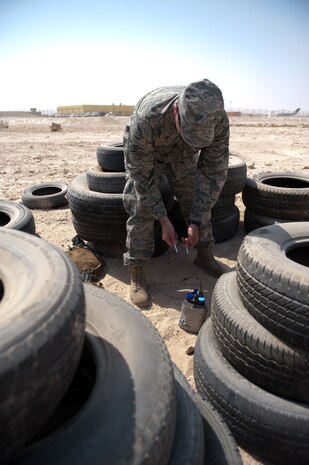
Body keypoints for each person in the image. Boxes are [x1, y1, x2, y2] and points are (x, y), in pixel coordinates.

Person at [122, 78, 230, 308]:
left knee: (198, 197)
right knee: (140, 205)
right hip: (149, 154)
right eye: (188, 132)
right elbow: (142, 177)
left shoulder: (217, 119)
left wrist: (195, 219)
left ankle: (204, 255)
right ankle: (138, 269)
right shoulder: (148, 118)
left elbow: (213, 174)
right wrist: (163, 219)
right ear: (175, 111)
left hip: (183, 158)